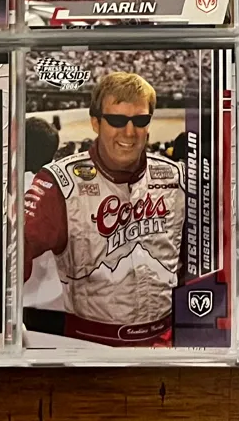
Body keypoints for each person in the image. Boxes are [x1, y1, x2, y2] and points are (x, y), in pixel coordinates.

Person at [23, 71, 187, 346]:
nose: (129, 132)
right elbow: (14, 255)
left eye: (140, 121)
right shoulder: (60, 182)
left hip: (165, 345)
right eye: (117, 120)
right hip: (90, 347)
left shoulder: (176, 178)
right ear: (95, 122)